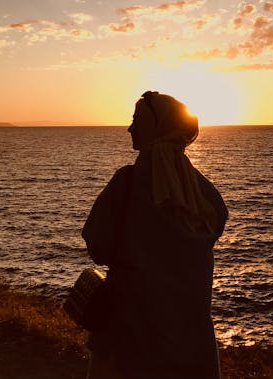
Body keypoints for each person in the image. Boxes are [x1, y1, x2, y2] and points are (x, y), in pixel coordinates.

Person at [82, 91, 228, 379]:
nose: (130, 128)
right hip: (189, 338)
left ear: (154, 126)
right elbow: (216, 226)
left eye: (136, 119)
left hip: (129, 338)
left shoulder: (126, 184)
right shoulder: (204, 193)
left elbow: (97, 246)